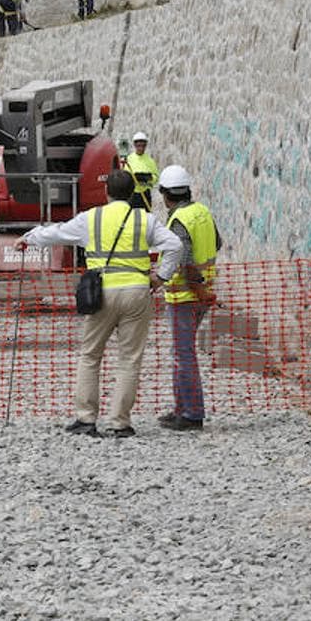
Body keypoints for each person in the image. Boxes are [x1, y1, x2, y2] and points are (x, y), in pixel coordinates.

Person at [18, 169, 181, 437]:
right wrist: (161, 276)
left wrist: (29, 238)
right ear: (132, 194)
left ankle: (86, 419)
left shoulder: (91, 218)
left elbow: (57, 233)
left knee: (90, 355)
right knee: (129, 359)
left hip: (102, 291)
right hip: (137, 292)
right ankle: (120, 423)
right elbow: (174, 245)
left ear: (107, 193)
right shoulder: (144, 219)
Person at [155, 165, 222, 432]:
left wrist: (199, 290)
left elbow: (185, 263)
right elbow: (217, 243)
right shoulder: (202, 212)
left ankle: (192, 414)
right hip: (198, 294)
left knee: (184, 354)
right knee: (181, 352)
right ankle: (181, 408)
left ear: (164, 193)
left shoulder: (179, 220)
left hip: (185, 296)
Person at [122, 132, 158, 211]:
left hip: (145, 194)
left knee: (146, 216)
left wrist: (148, 178)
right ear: (135, 145)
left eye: (143, 145)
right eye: (139, 145)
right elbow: (124, 176)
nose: (141, 148)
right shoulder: (129, 159)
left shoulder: (150, 160)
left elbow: (156, 178)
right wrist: (132, 178)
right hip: (132, 194)